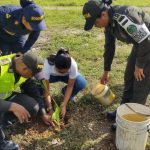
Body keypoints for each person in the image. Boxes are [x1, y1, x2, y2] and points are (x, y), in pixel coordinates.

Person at [82, 0, 150, 129]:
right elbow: (109, 47)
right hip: (140, 45)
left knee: (140, 83)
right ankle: (123, 112)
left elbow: (146, 41)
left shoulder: (124, 17)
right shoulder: (108, 23)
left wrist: (139, 65)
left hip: (147, 44)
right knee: (129, 77)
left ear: (103, 14)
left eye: (95, 22)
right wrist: (106, 71)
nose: (96, 26)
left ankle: (132, 122)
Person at [0, 51, 53, 150]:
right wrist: (12, 106)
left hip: (3, 98)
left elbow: (33, 91)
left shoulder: (21, 69)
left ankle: (2, 122)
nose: (32, 77)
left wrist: (43, 112)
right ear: (24, 68)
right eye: (31, 74)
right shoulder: (1, 68)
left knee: (32, 106)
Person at [42, 48, 87, 118]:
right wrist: (50, 109)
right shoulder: (47, 66)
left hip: (67, 77)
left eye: (65, 71)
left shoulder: (73, 65)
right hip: (52, 77)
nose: (62, 73)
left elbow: (70, 86)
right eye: (60, 71)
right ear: (55, 66)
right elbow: (47, 89)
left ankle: (65, 93)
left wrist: (64, 105)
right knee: (40, 84)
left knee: (81, 83)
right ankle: (41, 98)